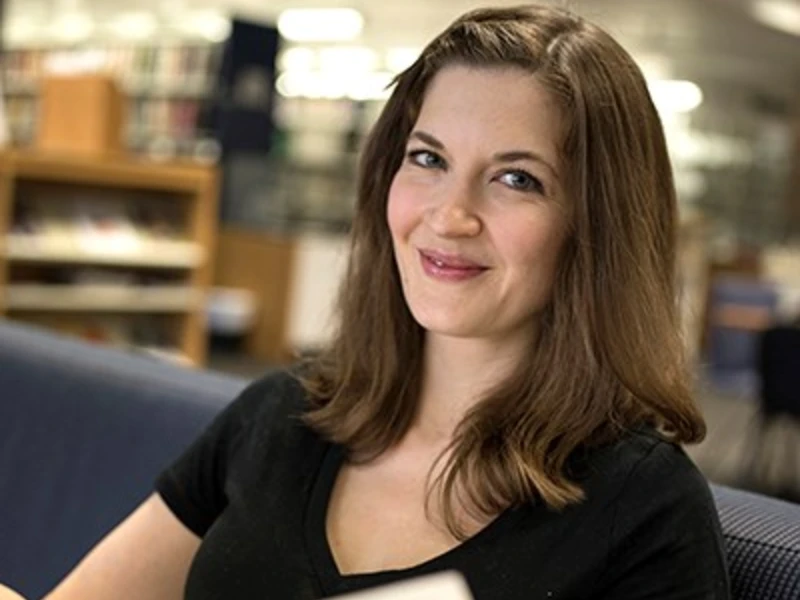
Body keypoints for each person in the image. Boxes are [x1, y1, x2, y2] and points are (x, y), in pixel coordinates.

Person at [38, 4, 729, 599]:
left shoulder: (643, 510)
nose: (449, 216)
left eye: (517, 178)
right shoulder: (282, 416)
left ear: (596, 225)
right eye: (428, 159)